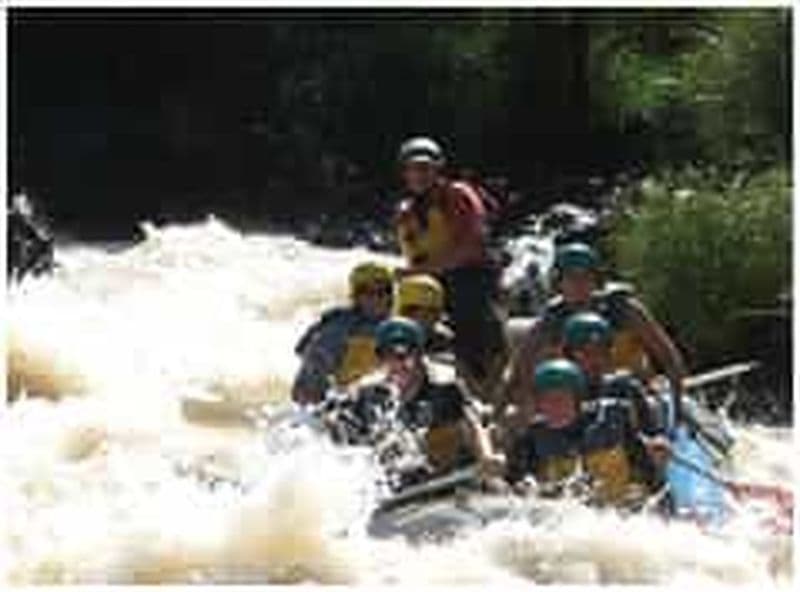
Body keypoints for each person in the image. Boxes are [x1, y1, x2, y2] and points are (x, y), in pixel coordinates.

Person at [504, 242, 687, 422]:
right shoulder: (551, 321)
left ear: (596, 280)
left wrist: (678, 407)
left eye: (585, 277)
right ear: (559, 283)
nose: (579, 285)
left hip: (637, 394)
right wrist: (521, 410)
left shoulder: (624, 309)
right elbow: (518, 373)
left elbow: (669, 358)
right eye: (571, 278)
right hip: (582, 401)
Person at [325, 317, 505, 491]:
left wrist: (486, 457)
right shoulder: (368, 394)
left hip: (449, 474)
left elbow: (473, 424)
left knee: (443, 438)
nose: (398, 363)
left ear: (419, 354)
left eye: (405, 354)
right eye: (388, 355)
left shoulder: (446, 386)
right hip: (398, 483)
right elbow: (341, 433)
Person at [392, 136, 508, 404]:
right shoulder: (405, 212)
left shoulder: (457, 195)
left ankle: (485, 393)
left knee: (472, 329)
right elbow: (414, 258)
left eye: (426, 168)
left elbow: (471, 247)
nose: (419, 174)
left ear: (438, 169)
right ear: (405, 172)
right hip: (432, 283)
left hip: (471, 276)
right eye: (413, 168)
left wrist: (419, 272)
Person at [506, 358, 672, 507]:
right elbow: (512, 485)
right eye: (546, 400)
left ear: (577, 399)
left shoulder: (612, 419)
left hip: (620, 514)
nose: (553, 407)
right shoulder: (532, 437)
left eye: (561, 399)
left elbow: (650, 475)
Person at [291, 262, 393, 404]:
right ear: (356, 296)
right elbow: (308, 385)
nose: (376, 298)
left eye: (383, 291)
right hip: (341, 404)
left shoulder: (400, 327)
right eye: (368, 292)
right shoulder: (336, 329)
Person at [394, 273, 453, 357]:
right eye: (414, 309)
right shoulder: (388, 338)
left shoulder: (446, 341)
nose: (422, 316)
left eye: (432, 311)